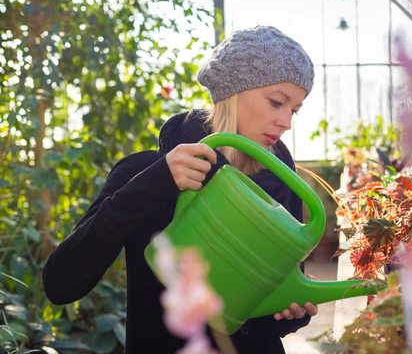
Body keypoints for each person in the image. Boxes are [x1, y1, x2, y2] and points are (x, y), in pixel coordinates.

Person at [43, 25, 319, 353]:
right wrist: (154, 184)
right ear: (232, 91)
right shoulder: (145, 174)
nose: (286, 122)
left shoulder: (282, 187)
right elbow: (61, 284)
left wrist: (292, 314)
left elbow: (270, 309)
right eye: (277, 102)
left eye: (295, 111)